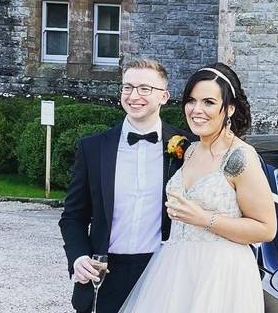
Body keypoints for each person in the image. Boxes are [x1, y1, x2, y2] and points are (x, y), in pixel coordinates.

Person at [117, 62, 277, 313]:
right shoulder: (189, 149)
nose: (196, 110)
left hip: (220, 275)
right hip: (174, 269)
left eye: (209, 102)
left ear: (230, 109)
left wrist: (204, 219)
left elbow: (266, 229)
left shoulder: (240, 157)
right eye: (191, 101)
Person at [59, 59, 191, 313]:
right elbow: (73, 217)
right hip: (104, 273)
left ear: (164, 96)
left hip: (161, 271)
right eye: (127, 87)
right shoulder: (93, 148)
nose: (134, 96)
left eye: (144, 89)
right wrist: (78, 257)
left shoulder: (188, 148)